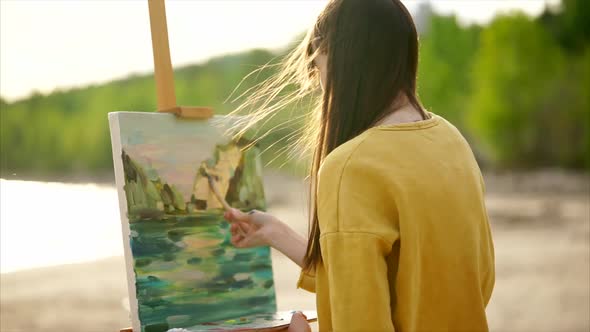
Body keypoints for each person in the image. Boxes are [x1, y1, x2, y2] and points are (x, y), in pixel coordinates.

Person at [223, 0, 495, 331]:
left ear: (342, 63)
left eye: (319, 69)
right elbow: (462, 283)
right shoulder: (451, 142)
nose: (321, 90)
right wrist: (277, 233)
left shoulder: (351, 165)